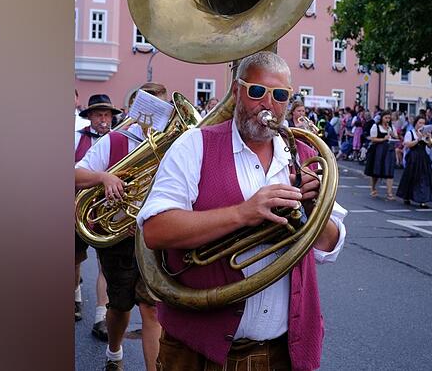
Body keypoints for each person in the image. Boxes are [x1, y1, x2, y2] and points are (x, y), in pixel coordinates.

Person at [138, 51, 347, 371]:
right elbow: (154, 230)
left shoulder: (305, 155)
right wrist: (243, 213)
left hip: (281, 351)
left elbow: (330, 246)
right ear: (236, 92)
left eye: (280, 95)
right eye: (257, 91)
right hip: (197, 350)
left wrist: (316, 208)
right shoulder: (194, 145)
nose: (268, 104)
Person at [76, 84, 168, 371]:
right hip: (120, 239)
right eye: (149, 107)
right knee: (120, 306)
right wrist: (104, 177)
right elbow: (75, 172)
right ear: (135, 109)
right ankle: (114, 352)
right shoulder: (114, 141)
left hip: (155, 240)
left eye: (162, 109)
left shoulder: (176, 145)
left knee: (152, 309)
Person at [75, 94, 118, 326]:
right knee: (75, 259)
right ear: (89, 117)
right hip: (77, 208)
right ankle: (76, 296)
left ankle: (101, 315)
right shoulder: (75, 139)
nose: (103, 119)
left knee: (105, 264)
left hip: (105, 210)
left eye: (107, 115)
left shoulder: (119, 140)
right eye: (99, 115)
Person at [396, 116, 432, 208]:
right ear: (416, 123)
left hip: (423, 157)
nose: (422, 125)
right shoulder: (410, 133)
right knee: (411, 177)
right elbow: (407, 144)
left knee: (424, 178)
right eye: (420, 123)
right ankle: (407, 196)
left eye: (423, 123)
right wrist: (418, 139)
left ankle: (422, 200)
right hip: (413, 157)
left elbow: (431, 145)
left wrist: (429, 138)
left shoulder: (425, 134)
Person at [364, 113, 399, 200]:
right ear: (382, 118)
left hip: (389, 150)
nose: (387, 120)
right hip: (378, 150)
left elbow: (396, 136)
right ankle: (373, 188)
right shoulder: (376, 126)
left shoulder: (391, 127)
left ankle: (389, 193)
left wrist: (393, 135)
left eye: (389, 118)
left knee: (389, 171)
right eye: (386, 118)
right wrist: (383, 139)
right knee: (376, 170)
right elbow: (373, 139)